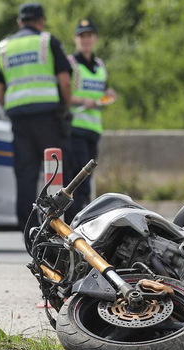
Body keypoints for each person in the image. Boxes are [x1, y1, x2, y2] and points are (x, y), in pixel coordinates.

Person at [0, 3, 72, 231]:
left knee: (25, 175)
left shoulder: (4, 47)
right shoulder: (47, 42)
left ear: (19, 22)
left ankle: (27, 229)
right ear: (40, 21)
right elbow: (65, 81)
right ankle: (57, 226)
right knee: (53, 172)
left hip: (19, 119)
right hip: (48, 116)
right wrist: (65, 108)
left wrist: (11, 106)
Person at [67, 19, 116, 217]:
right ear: (75, 39)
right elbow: (63, 96)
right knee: (80, 179)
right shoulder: (71, 64)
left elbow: (102, 92)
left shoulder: (100, 65)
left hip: (93, 129)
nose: (85, 40)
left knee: (87, 178)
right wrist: (82, 100)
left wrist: (109, 95)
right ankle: (76, 220)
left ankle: (81, 219)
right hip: (75, 127)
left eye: (89, 36)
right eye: (82, 36)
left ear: (95, 38)